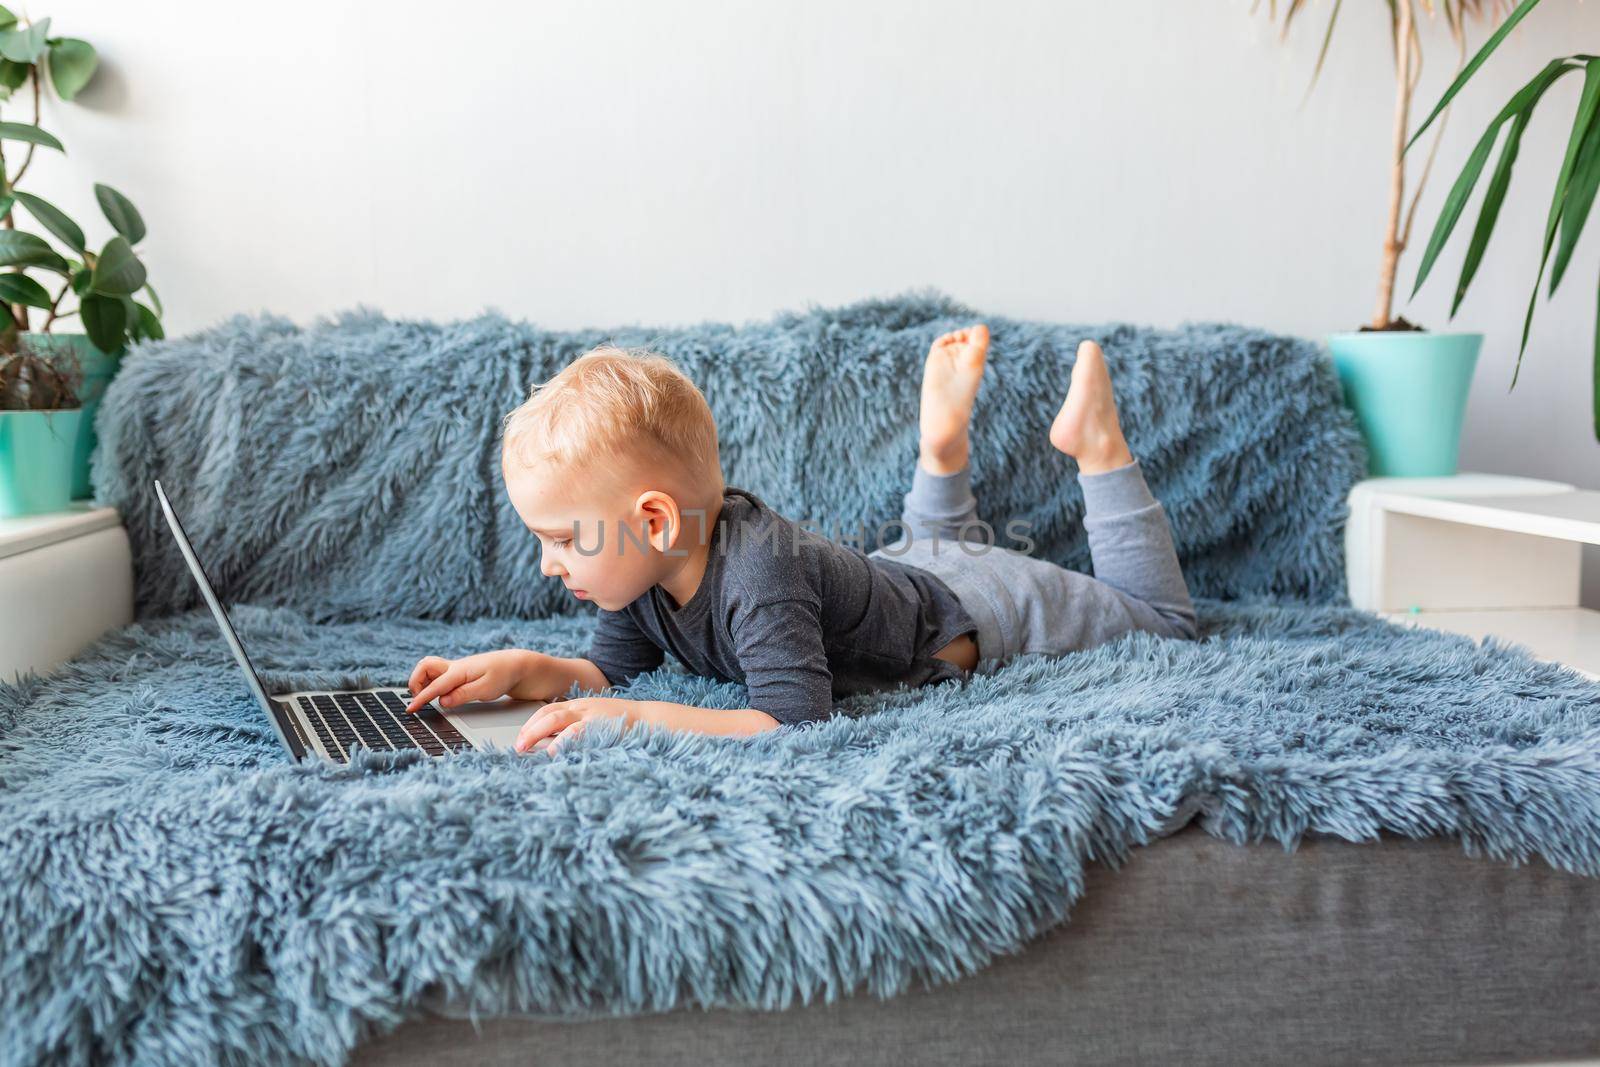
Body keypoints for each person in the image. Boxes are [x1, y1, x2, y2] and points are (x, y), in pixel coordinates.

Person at [404, 324, 1197, 755]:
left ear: (652, 520)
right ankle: (942, 448)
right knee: (916, 562)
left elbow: (794, 725)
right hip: (901, 575)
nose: (548, 563)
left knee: (1165, 622)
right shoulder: (636, 574)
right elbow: (607, 671)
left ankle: (1099, 448)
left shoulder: (759, 574)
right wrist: (519, 670)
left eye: (561, 539)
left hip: (984, 608)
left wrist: (637, 719)